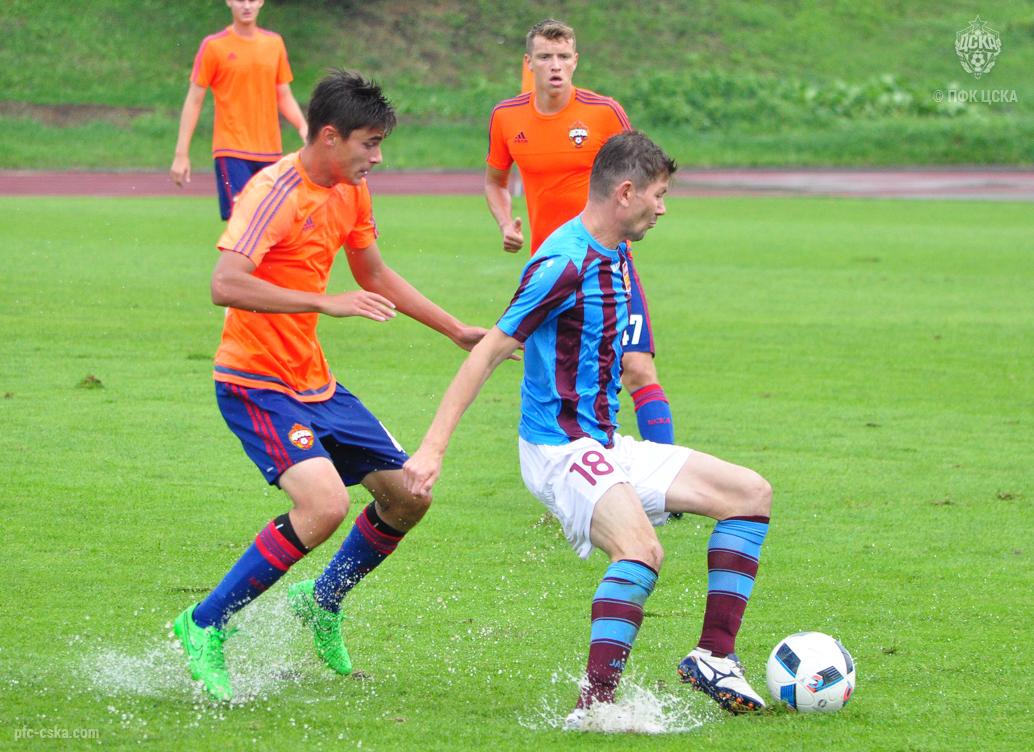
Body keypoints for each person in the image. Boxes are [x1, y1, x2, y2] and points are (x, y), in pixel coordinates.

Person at [404, 132, 773, 725]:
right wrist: (431, 449)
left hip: (603, 442)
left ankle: (714, 658)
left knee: (750, 494)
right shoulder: (563, 263)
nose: (663, 208)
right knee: (641, 551)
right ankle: (594, 709)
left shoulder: (617, 252)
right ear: (625, 193)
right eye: (658, 195)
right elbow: (488, 352)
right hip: (558, 449)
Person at [172, 69, 490, 702]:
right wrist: (324, 302)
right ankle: (204, 623)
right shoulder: (274, 191)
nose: (377, 158)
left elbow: (373, 272)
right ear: (329, 136)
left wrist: (454, 329)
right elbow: (224, 283)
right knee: (323, 506)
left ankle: (321, 601)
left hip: (315, 381)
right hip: (254, 381)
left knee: (409, 495)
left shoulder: (351, 189)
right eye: (370, 144)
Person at [485, 19, 677, 450]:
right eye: (545, 57)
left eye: (563, 56)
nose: (555, 66)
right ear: (529, 63)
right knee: (557, 376)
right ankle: (570, 464)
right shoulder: (506, 117)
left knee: (636, 367)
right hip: (552, 269)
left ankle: (666, 476)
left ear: (575, 61)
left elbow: (642, 170)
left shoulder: (603, 112)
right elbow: (495, 181)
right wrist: (505, 221)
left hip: (609, 259)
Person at [170, 0, 308, 220]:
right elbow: (194, 100)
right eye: (240, 0)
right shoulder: (214, 46)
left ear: (260, 2)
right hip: (231, 151)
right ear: (229, 2)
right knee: (242, 222)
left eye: (252, 0)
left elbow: (283, 94)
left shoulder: (274, 44)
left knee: (272, 223)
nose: (246, 6)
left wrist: (303, 127)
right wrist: (181, 154)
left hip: (270, 152)